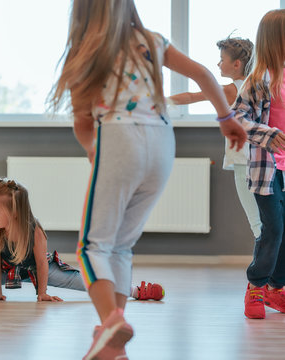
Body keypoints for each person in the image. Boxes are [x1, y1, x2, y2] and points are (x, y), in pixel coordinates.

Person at [49, 0, 247, 358]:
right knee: (122, 246)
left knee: (92, 246)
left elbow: (82, 122)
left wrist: (95, 154)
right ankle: (113, 338)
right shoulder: (151, 40)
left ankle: (110, 321)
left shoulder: (86, 50)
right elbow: (203, 73)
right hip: (163, 142)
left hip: (119, 138)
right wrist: (226, 118)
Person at [170, 37, 261, 240]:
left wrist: (163, 100)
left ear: (236, 64)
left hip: (243, 161)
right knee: (265, 218)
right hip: (262, 159)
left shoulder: (231, 90)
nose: (218, 64)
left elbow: (193, 96)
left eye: (221, 59)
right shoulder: (257, 87)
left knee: (256, 221)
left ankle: (267, 267)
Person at [231, 9, 285, 320]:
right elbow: (238, 119)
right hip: (266, 170)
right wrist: (267, 134)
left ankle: (276, 289)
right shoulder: (257, 80)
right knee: (273, 229)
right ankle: (256, 286)